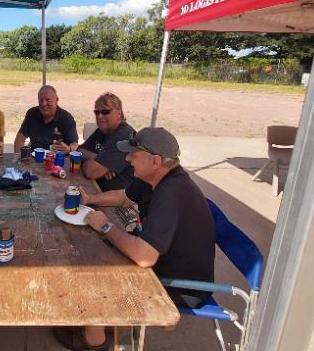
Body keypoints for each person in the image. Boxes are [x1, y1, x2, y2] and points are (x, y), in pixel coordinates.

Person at [54, 127, 215, 351]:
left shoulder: (170, 194)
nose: (127, 159)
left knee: (92, 271)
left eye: (133, 154)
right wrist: (90, 198)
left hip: (180, 287)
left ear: (156, 161)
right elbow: (124, 197)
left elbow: (144, 257)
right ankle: (103, 321)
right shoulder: (158, 177)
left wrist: (106, 226)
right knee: (97, 250)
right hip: (163, 263)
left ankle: (94, 340)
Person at [78, 93, 136, 191]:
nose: (100, 116)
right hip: (97, 188)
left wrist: (91, 162)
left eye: (105, 111)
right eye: (97, 112)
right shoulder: (103, 130)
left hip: (119, 200)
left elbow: (90, 172)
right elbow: (79, 151)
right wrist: (97, 158)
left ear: (119, 114)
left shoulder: (124, 136)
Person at [13, 85, 78, 153]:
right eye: (41, 100)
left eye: (48, 100)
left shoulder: (66, 118)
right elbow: (20, 138)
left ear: (56, 100)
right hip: (35, 158)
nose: (44, 104)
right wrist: (18, 158)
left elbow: (74, 144)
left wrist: (69, 149)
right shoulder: (32, 114)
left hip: (58, 159)